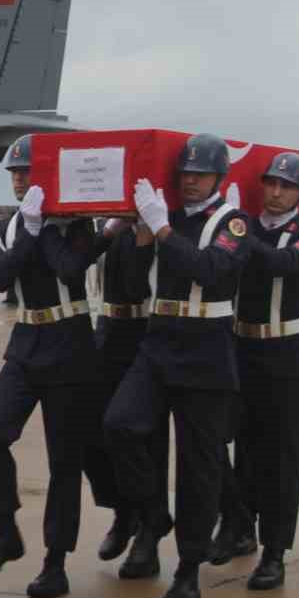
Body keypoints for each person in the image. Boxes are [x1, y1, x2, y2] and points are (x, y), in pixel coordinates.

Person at [103, 133, 252, 598]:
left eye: (200, 174)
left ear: (218, 178)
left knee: (199, 467)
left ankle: (188, 570)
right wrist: (141, 239)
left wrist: (163, 231)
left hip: (206, 347)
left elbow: (211, 271)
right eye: (184, 173)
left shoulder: (233, 222)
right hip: (159, 339)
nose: (189, 181)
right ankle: (152, 514)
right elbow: (130, 285)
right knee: (120, 425)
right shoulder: (160, 216)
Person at [0, 135, 98, 598]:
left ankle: (55, 561)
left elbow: (69, 270)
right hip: (25, 345)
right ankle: (6, 530)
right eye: (14, 173)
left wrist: (43, 226)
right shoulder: (3, 229)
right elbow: (0, 280)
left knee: (64, 463)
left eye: (27, 171)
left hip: (70, 347)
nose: (19, 179)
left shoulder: (78, 226)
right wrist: (29, 227)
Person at [212, 153, 299, 589]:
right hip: (242, 345)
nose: (276, 192)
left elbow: (287, 265)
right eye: (271, 184)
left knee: (282, 457)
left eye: (286, 186)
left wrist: (239, 236)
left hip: (288, 354)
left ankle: (275, 551)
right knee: (229, 442)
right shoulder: (247, 227)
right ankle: (239, 524)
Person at [81, 217, 170, 579]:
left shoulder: (161, 223)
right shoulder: (104, 222)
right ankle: (124, 509)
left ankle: (150, 529)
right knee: (89, 433)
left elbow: (137, 288)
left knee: (143, 437)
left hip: (146, 333)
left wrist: (144, 237)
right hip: (107, 331)